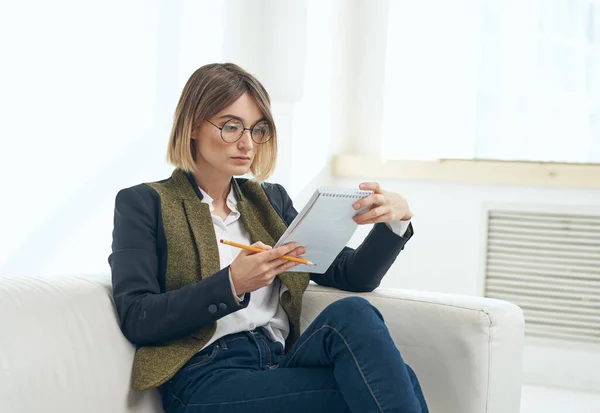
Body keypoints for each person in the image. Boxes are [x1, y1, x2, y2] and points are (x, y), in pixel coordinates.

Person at [109, 62, 429, 413]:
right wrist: (232, 283)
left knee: (354, 314)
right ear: (193, 127)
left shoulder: (269, 201)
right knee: (392, 382)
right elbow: (138, 316)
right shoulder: (144, 203)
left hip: (277, 362)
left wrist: (396, 221)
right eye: (231, 127)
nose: (247, 143)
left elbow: (352, 275)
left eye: (257, 129)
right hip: (205, 378)